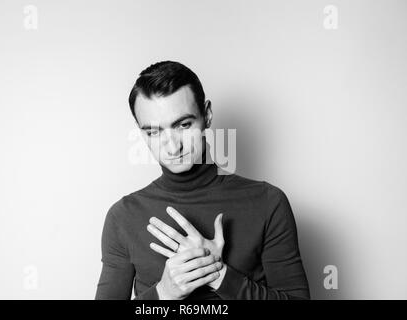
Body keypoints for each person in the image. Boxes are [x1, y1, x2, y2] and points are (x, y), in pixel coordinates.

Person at [95, 61, 310, 300]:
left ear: (206, 115)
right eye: (154, 131)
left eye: (183, 125)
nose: (173, 146)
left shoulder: (268, 203)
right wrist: (163, 293)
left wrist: (218, 274)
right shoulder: (123, 216)